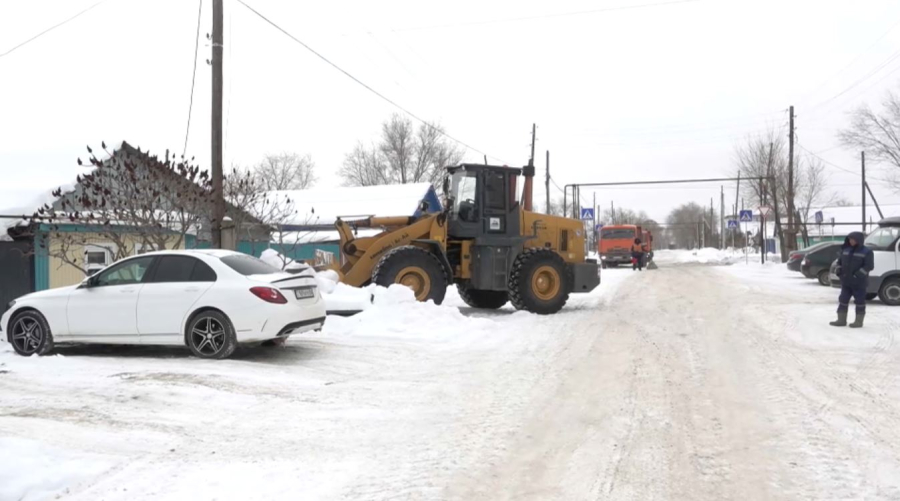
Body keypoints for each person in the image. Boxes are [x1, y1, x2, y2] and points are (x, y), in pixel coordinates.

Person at [830, 231, 874, 328]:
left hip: (859, 283)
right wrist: (838, 270)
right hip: (846, 282)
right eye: (849, 239)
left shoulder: (867, 251)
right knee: (843, 300)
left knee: (860, 302)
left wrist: (857, 275)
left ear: (859, 240)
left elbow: (869, 266)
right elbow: (839, 262)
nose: (851, 241)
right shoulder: (845, 249)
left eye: (853, 239)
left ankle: (858, 322)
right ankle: (841, 320)